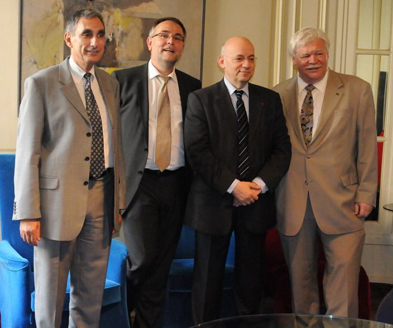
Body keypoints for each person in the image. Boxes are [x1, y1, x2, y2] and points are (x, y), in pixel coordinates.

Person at [13, 9, 125, 327]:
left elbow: (116, 145)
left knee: (90, 297)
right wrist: (28, 213)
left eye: (101, 34)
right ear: (69, 38)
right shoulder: (41, 84)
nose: (95, 41)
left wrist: (117, 201)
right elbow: (27, 152)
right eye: (87, 34)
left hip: (102, 200)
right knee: (50, 300)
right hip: (55, 206)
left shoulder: (110, 85)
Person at [184, 36, 291, 324]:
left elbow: (282, 150)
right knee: (207, 284)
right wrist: (234, 186)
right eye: (239, 58)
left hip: (255, 204)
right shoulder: (200, 99)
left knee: (251, 285)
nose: (247, 64)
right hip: (212, 205)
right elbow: (197, 152)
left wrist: (256, 186)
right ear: (222, 62)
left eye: (252, 58)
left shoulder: (270, 100)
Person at [273, 27, 378, 318]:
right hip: (293, 200)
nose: (313, 59)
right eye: (305, 55)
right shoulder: (276, 95)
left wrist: (367, 193)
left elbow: (367, 145)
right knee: (300, 287)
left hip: (344, 202)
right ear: (294, 59)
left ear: (328, 54)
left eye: (319, 52)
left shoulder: (357, 89)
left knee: (342, 288)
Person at [112, 17, 201, 328]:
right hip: (140, 184)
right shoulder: (122, 81)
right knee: (141, 260)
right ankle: (122, 314)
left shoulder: (193, 87)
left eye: (177, 37)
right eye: (163, 35)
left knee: (161, 266)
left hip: (176, 184)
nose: (170, 42)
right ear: (150, 42)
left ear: (182, 46)